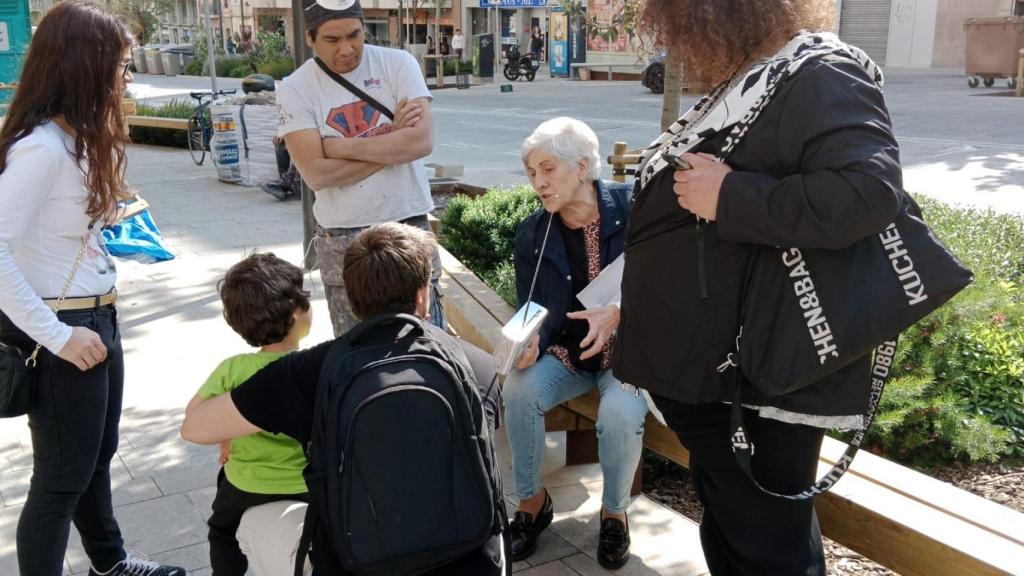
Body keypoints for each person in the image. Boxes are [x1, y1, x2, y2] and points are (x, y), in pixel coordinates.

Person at [613, 1, 903, 574]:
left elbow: (870, 192)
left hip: (759, 384)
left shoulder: (820, 70)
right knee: (735, 534)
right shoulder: (757, 73)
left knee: (769, 551)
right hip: (716, 380)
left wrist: (731, 197)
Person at [180, 223, 506, 576]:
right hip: (470, 558)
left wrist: (230, 434)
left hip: (357, 563)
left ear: (351, 298)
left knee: (240, 525)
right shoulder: (477, 364)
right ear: (421, 295)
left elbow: (195, 428)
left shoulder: (305, 371)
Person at [0, 2, 185, 575]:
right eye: (122, 65)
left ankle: (110, 562)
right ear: (86, 65)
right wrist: (58, 337)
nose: (127, 77)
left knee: (96, 458)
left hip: (98, 318)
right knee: (60, 481)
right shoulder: (40, 149)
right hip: (64, 329)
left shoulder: (74, 140)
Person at [505, 117, 648, 570]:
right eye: (532, 172)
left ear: (582, 167)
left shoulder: (637, 210)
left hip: (629, 354)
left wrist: (620, 312)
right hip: (569, 354)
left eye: (548, 169)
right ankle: (532, 502)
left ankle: (614, 513)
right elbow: (532, 308)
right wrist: (530, 340)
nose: (539, 183)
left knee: (620, 414)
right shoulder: (534, 232)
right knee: (518, 389)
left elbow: (671, 285)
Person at [277, 0, 444, 338]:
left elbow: (421, 142)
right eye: (332, 40)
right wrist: (393, 140)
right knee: (359, 351)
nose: (347, 49)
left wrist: (338, 147)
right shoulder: (295, 88)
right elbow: (317, 174)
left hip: (408, 222)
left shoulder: (398, 64)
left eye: (355, 35)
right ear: (309, 38)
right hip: (343, 237)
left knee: (427, 345)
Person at [186, 253, 312, 576]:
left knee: (221, 533)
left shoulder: (233, 369)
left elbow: (194, 414)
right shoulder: (312, 367)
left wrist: (226, 432)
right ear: (295, 311)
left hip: (246, 483)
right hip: (304, 483)